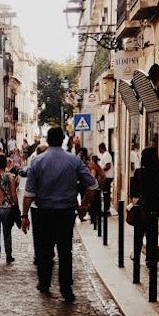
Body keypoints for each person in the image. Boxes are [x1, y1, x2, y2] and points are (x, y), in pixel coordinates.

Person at [21, 125, 98, 302]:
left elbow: (29, 193)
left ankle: (44, 283)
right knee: (65, 251)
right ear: (63, 140)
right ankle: (66, 289)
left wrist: (24, 216)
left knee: (44, 250)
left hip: (43, 213)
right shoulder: (74, 161)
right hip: (66, 212)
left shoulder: (37, 162)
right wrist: (83, 207)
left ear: (47, 140)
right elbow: (92, 186)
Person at [130, 145, 159, 271]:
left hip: (141, 209)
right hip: (153, 208)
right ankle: (151, 260)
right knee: (152, 235)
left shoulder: (139, 173)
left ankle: (136, 257)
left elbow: (133, 193)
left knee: (138, 235)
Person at [98, 141, 114, 214]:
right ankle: (105, 209)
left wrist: (101, 171)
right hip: (106, 177)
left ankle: (106, 209)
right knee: (105, 193)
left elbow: (108, 166)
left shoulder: (106, 155)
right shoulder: (105, 155)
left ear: (101, 148)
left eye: (99, 149)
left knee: (106, 193)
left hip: (107, 177)